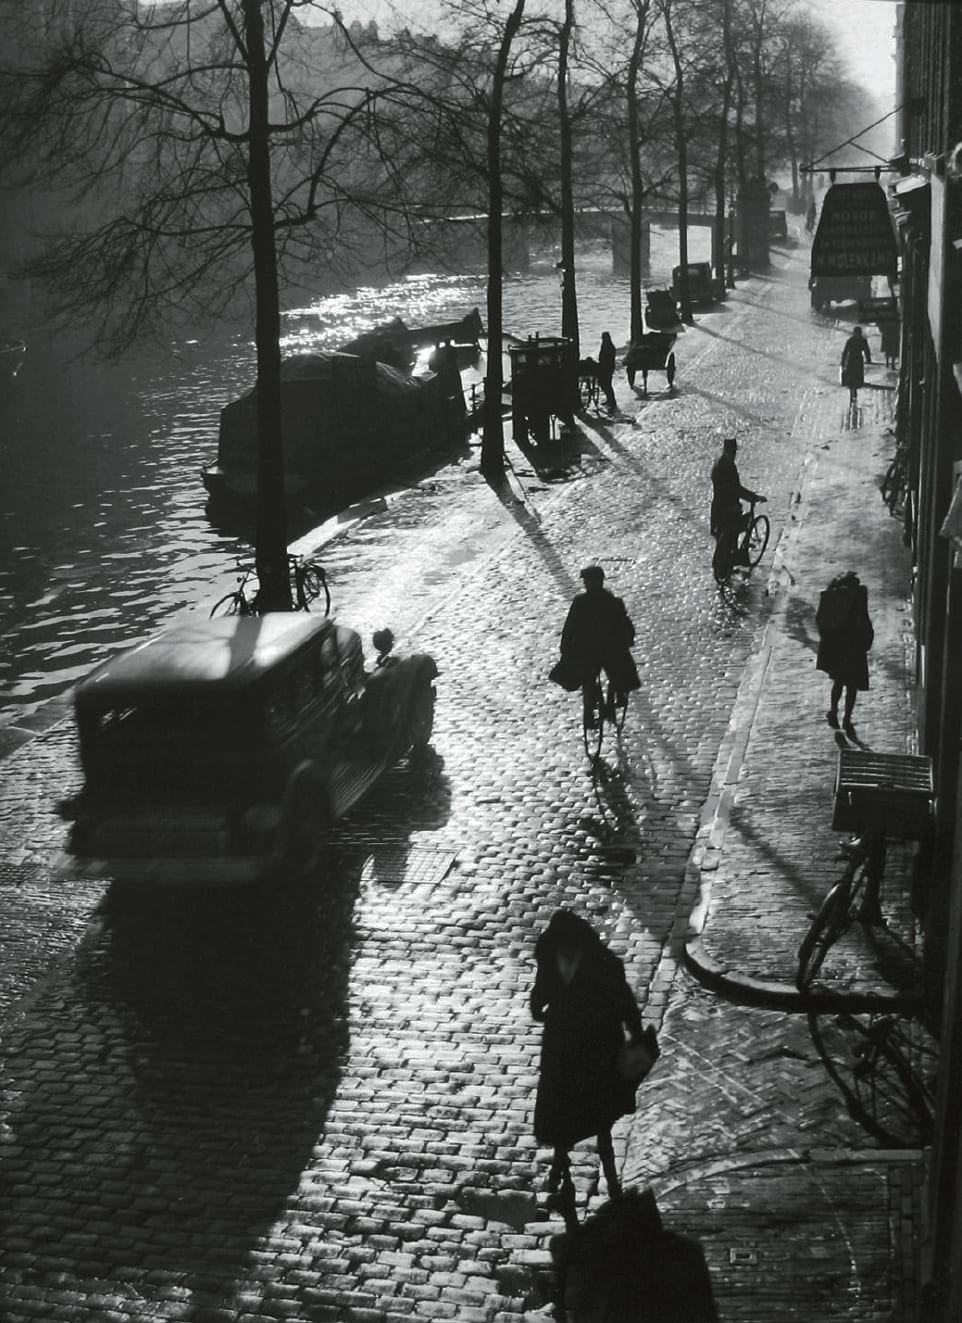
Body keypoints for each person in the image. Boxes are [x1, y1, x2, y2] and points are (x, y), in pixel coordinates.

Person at [530, 909, 646, 1232]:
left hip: (593, 1054)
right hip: (566, 1053)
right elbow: (540, 996)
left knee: (597, 1119)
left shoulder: (601, 965)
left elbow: (625, 1004)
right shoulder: (555, 958)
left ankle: (608, 1180)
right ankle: (566, 1176)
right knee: (568, 1117)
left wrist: (635, 1037)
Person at [550, 566, 640, 725]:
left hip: (588, 652)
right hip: (610, 651)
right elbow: (625, 625)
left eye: (587, 581)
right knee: (618, 672)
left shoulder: (580, 602)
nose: (585, 583)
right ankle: (617, 697)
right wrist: (626, 641)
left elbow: (570, 627)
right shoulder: (614, 602)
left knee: (588, 677)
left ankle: (591, 710)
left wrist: (565, 648)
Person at [815, 571, 875, 737]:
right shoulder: (858, 597)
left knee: (838, 682)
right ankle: (847, 718)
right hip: (854, 646)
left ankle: (833, 710)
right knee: (852, 686)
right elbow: (865, 619)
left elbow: (823, 621)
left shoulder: (834, 598)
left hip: (838, 645)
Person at [710, 436, 763, 554]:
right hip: (729, 507)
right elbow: (736, 489)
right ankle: (733, 558)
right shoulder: (729, 468)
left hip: (717, 508)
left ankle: (726, 561)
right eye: (733, 453)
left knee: (722, 538)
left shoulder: (718, 464)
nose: (734, 455)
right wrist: (753, 497)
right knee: (734, 531)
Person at [841, 325, 871, 406]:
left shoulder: (851, 340)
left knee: (854, 376)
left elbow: (845, 351)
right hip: (855, 360)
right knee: (853, 376)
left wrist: (843, 361)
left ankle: (853, 392)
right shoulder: (861, 340)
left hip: (854, 360)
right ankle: (853, 392)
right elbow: (866, 350)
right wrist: (868, 359)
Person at [597, 332, 617, 412]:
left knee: (606, 384)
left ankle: (611, 401)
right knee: (606, 384)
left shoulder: (608, 347)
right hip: (606, 367)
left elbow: (607, 358)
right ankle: (610, 400)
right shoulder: (608, 346)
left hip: (607, 368)